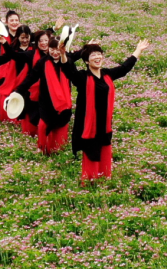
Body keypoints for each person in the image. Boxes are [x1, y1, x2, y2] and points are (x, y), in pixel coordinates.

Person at [62, 39, 150, 180]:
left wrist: (138, 50)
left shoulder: (107, 74)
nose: (97, 57)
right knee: (91, 151)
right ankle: (90, 181)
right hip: (88, 124)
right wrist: (63, 54)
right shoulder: (82, 77)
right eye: (93, 55)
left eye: (99, 54)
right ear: (86, 61)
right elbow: (69, 70)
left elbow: (124, 68)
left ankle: (104, 178)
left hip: (104, 123)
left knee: (104, 148)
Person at [16, 36, 74, 154]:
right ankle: (42, 147)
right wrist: (18, 91)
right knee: (43, 125)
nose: (54, 52)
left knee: (61, 125)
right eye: (52, 48)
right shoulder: (42, 62)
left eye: (57, 49)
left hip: (63, 101)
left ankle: (58, 148)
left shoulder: (67, 61)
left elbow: (75, 75)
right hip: (46, 101)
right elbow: (31, 78)